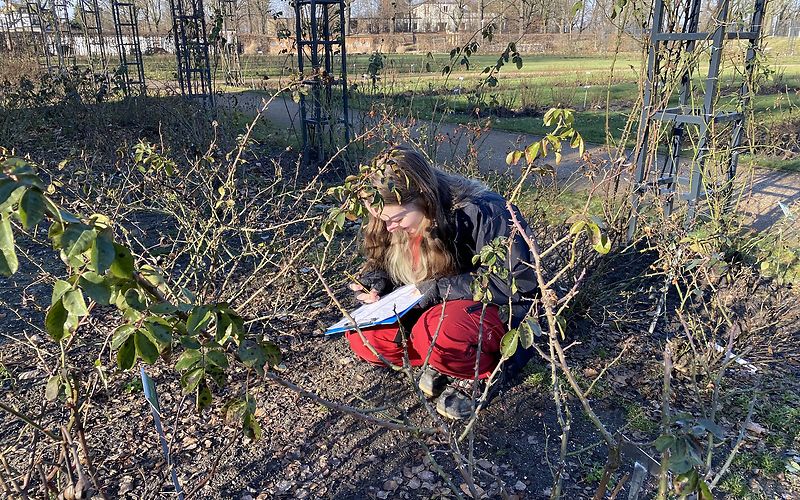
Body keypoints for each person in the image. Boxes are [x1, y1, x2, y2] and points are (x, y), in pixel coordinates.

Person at [345, 146, 538, 419]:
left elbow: (516, 284)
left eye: (396, 218)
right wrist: (375, 282)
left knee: (441, 332)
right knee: (365, 337)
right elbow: (381, 262)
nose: (388, 228)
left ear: (424, 199)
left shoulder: (484, 211)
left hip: (489, 313)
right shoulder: (391, 218)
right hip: (432, 309)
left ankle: (479, 372)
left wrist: (436, 290)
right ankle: (438, 359)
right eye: (381, 219)